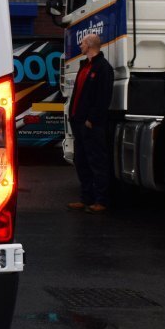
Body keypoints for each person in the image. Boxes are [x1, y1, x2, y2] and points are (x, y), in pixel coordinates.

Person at [67, 33, 114, 214]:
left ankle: (101, 201)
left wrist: (91, 119)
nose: (80, 46)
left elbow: (103, 97)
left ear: (89, 45)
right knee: (82, 161)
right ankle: (85, 198)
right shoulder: (84, 66)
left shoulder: (103, 68)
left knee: (97, 161)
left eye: (82, 43)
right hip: (78, 121)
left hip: (91, 124)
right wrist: (73, 117)